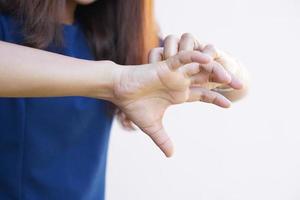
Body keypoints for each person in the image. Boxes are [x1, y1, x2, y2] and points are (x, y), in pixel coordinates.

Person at [0, 0, 248, 199]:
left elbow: (236, 90)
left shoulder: (113, 39)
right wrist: (116, 80)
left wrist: (222, 65)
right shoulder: (7, 27)